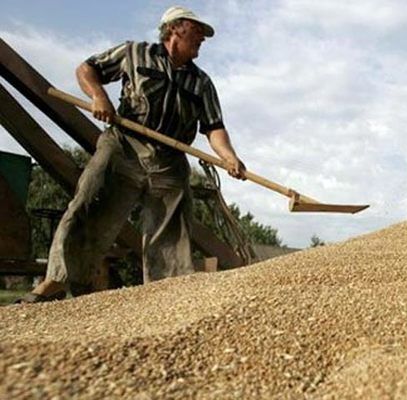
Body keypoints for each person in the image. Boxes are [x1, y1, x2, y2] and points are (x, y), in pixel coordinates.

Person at [16, 6, 245, 303]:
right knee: (89, 206)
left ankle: (166, 297)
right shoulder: (134, 53)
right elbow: (87, 69)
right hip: (123, 147)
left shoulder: (201, 83)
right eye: (197, 30)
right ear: (176, 28)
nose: (203, 37)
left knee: (172, 232)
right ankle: (56, 281)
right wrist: (99, 96)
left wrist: (229, 157)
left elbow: (214, 128)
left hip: (169, 160)